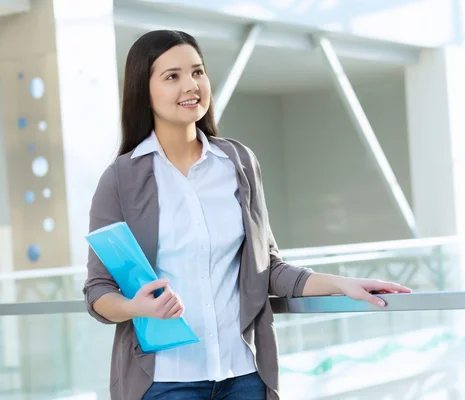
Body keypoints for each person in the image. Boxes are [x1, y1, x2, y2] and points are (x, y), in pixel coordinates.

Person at [83, 30, 411, 400]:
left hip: (242, 375)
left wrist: (344, 285)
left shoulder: (238, 163)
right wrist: (134, 307)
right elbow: (98, 291)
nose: (191, 85)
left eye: (198, 72)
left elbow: (266, 269)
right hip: (164, 380)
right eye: (172, 76)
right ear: (144, 90)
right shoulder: (120, 179)